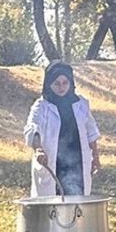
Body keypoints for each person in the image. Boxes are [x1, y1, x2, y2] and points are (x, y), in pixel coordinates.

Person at [24, 61, 101, 198]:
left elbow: (91, 132)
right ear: (49, 84)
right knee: (52, 203)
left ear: (71, 82)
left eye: (65, 83)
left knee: (77, 199)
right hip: (52, 163)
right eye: (57, 84)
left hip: (77, 162)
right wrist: (38, 149)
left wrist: (95, 156)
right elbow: (33, 128)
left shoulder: (81, 104)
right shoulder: (41, 106)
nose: (61, 88)